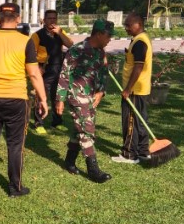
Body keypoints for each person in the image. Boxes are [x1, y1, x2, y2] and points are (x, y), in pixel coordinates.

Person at [0, 2, 48, 198]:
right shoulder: (26, 41)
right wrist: (43, 99)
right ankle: (15, 188)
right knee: (15, 145)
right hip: (17, 100)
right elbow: (33, 74)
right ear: (18, 18)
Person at [56, 19, 114, 183]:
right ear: (99, 34)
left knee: (79, 128)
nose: (110, 39)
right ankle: (93, 169)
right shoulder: (77, 50)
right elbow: (64, 74)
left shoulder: (101, 52)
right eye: (108, 36)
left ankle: (69, 161)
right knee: (86, 130)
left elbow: (103, 73)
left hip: (91, 96)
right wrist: (59, 99)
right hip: (77, 95)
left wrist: (101, 91)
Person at [112, 12, 153, 164]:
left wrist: (128, 89)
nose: (126, 28)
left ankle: (129, 154)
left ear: (138, 25)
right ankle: (143, 151)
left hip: (135, 89)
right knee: (140, 120)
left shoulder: (140, 42)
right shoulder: (140, 40)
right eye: (125, 25)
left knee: (130, 121)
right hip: (141, 88)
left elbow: (138, 67)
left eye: (128, 25)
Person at [30, 9, 74, 134]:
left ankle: (57, 121)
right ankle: (39, 122)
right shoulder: (37, 35)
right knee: (40, 95)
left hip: (58, 68)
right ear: (44, 20)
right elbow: (31, 54)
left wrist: (60, 33)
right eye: (49, 18)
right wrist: (37, 68)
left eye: (54, 18)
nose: (52, 21)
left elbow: (70, 45)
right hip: (43, 69)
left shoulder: (60, 32)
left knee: (58, 95)